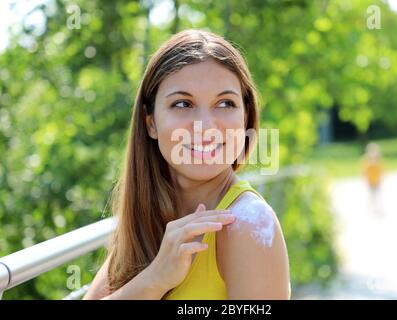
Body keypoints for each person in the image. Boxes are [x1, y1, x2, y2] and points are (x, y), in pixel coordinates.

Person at [83, 29, 290, 300]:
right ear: (151, 123)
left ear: (245, 117)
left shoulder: (248, 225)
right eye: (183, 104)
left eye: (225, 103)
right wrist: (154, 279)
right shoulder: (149, 216)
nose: (205, 127)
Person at [362, 142, 384, 215]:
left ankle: (378, 208)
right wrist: (365, 179)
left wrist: (381, 178)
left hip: (377, 181)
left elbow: (381, 170)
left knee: (377, 194)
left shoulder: (378, 160)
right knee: (371, 195)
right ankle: (371, 209)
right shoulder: (366, 160)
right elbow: (364, 171)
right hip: (370, 181)